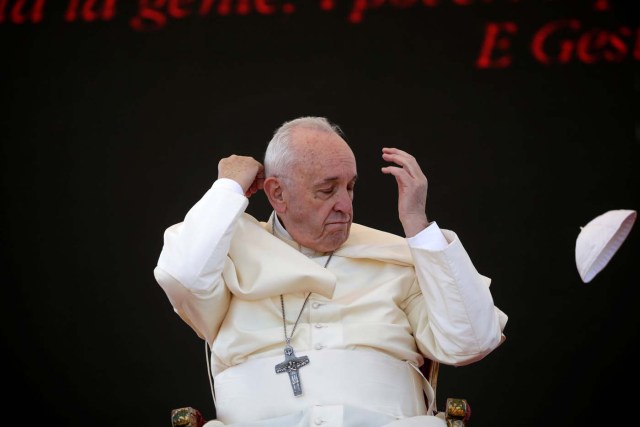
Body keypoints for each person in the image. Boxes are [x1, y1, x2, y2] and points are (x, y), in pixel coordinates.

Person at [154, 116, 508, 427]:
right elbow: (180, 275)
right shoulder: (228, 253)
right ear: (277, 194)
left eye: (350, 187)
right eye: (326, 190)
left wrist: (418, 225)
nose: (345, 205)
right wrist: (227, 188)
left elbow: (472, 341)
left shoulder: (397, 259)